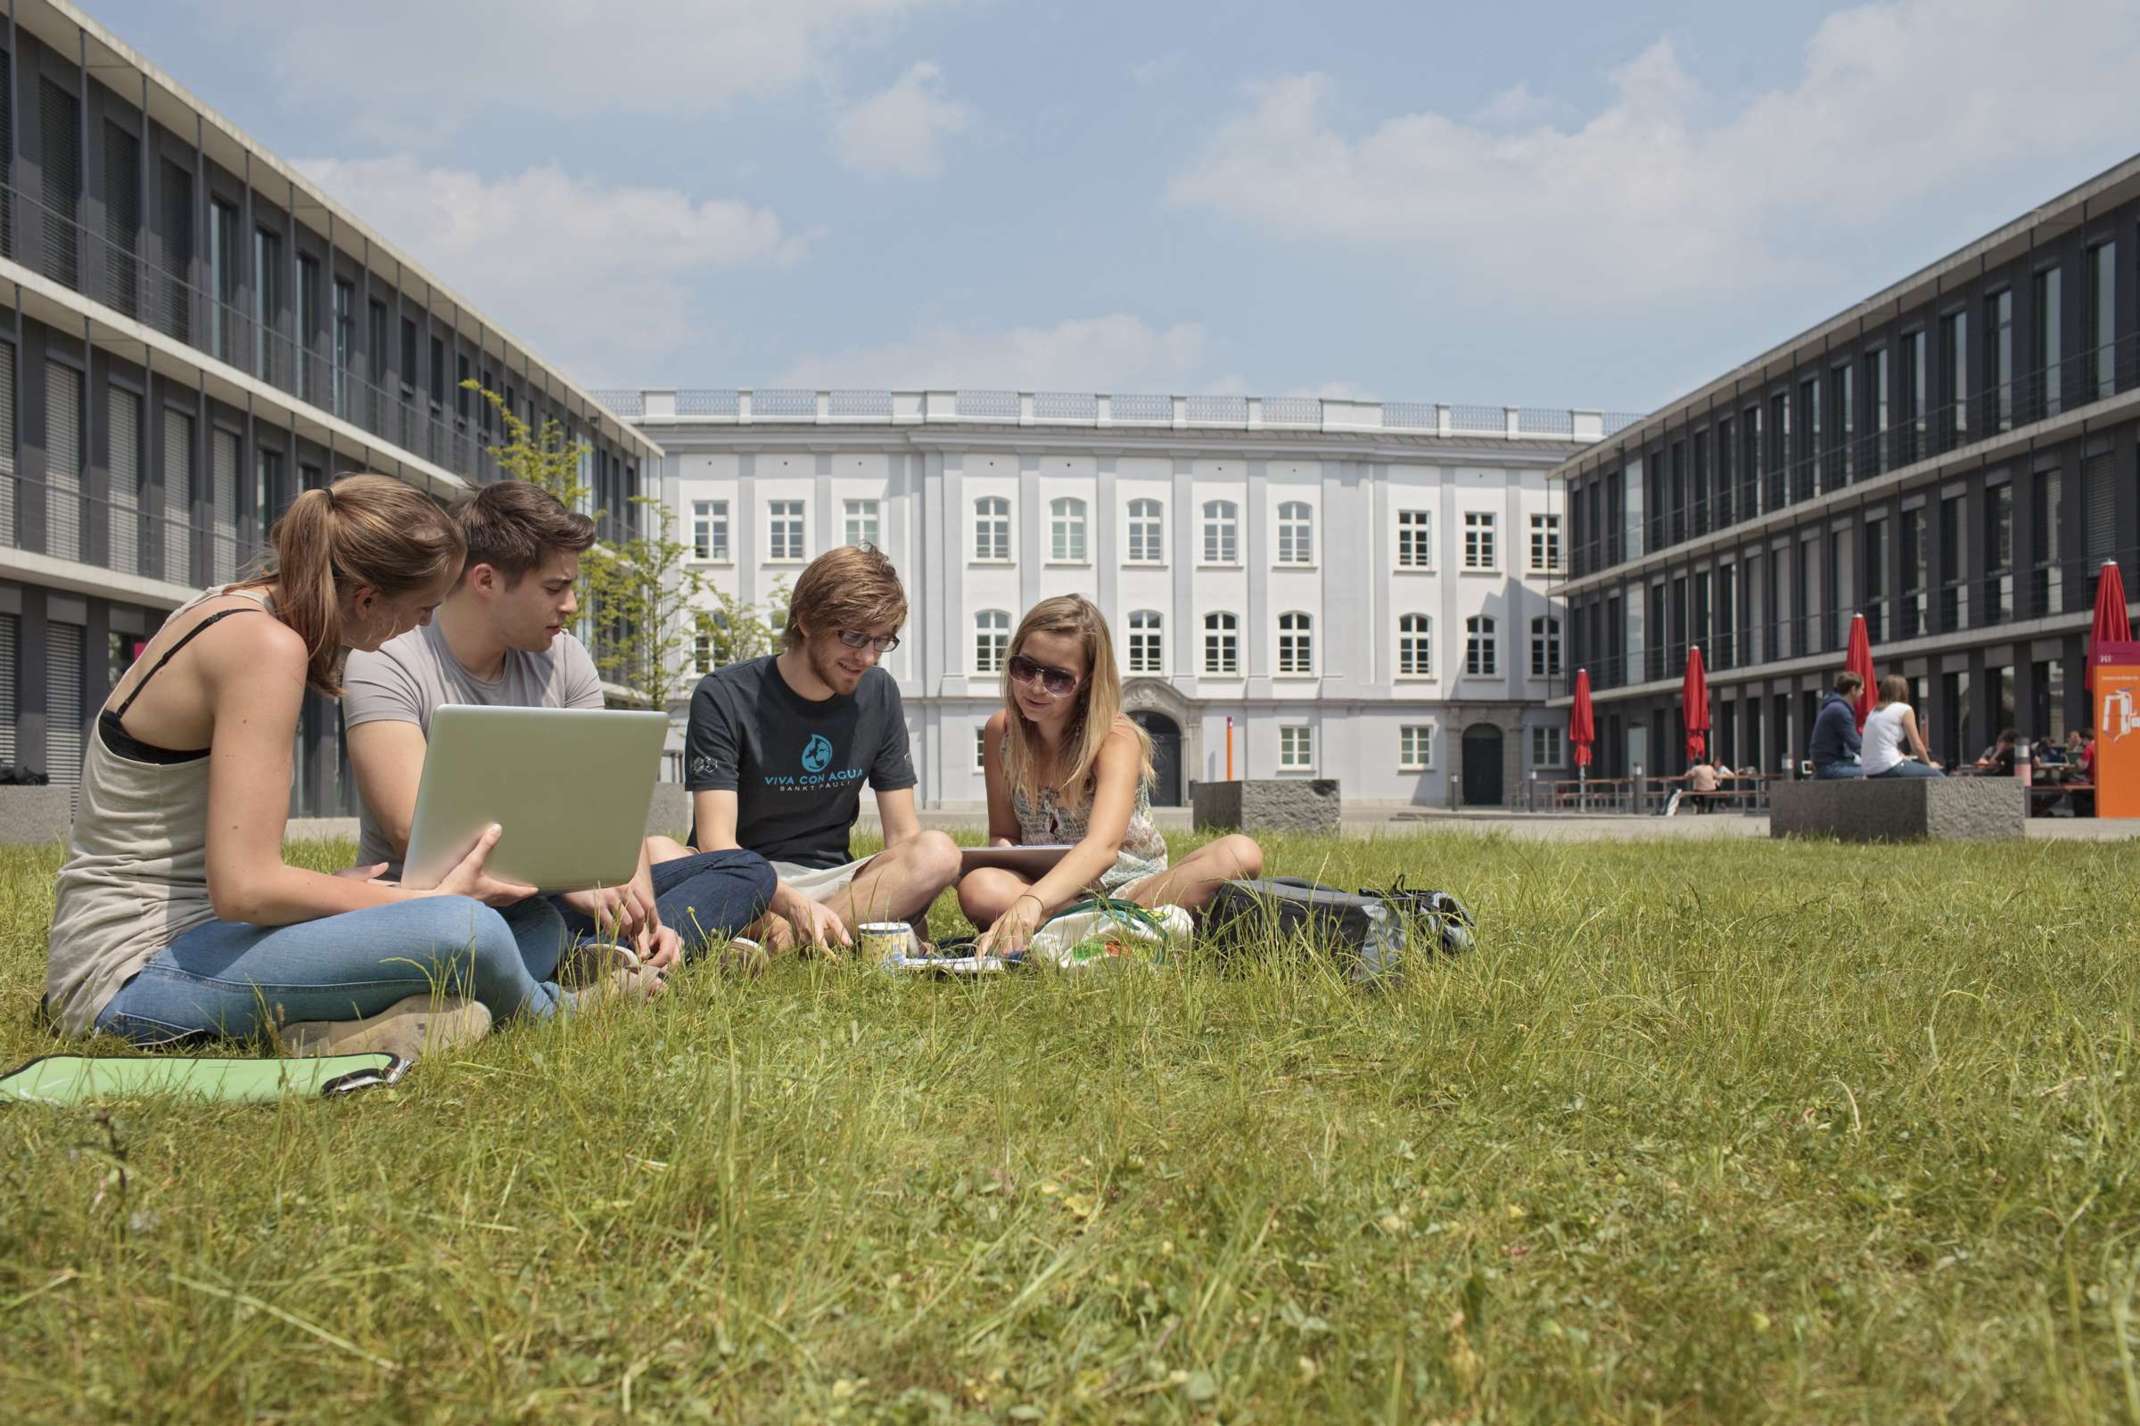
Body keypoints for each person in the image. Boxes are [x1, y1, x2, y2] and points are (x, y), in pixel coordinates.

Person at [46, 474, 656, 1058]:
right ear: (367, 598)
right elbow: (246, 889)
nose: (421, 627)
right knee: (470, 930)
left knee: (533, 923)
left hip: (208, 938)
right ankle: (555, 1009)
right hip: (131, 972)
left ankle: (353, 1024)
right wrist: (418, 901)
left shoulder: (237, 610)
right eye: (421, 611)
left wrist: (365, 896)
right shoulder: (264, 647)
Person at [342, 480, 774, 968]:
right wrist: (571, 881)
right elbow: (414, 831)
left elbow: (608, 803)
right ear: (485, 581)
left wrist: (635, 892)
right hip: (443, 903)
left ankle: (627, 950)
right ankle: (627, 952)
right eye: (554, 588)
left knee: (748, 871)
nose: (570, 605)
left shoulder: (564, 656)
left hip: (558, 896)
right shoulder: (387, 659)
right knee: (520, 924)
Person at [663, 545, 960, 954]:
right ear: (805, 620)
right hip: (742, 875)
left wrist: (910, 895)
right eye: (854, 637)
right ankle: (807, 931)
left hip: (832, 879)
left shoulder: (879, 692)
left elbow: (903, 837)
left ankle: (785, 939)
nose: (868, 657)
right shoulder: (724, 695)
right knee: (657, 851)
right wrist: (792, 903)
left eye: (881, 641)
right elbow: (716, 842)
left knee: (937, 851)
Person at [959, 596, 1264, 957]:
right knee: (978, 886)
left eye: (1058, 678)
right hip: (1054, 891)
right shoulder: (1002, 732)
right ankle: (1112, 933)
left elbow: (1102, 848)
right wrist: (1016, 871)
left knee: (1240, 853)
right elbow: (1005, 835)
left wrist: (1031, 903)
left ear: (1087, 682)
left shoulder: (1115, 737)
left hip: (1133, 887)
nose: (1036, 687)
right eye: (1025, 668)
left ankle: (1071, 931)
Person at [1862, 675, 1943, 778]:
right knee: (1938, 776)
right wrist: (1929, 764)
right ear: (1903, 691)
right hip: (1889, 766)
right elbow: (1917, 745)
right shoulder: (1904, 709)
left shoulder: (1873, 712)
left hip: (1869, 770)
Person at [1808, 672, 1866, 779]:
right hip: (1830, 767)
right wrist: (1878, 759)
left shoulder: (1834, 706)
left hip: (1827, 764)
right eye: (1861, 689)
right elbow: (1856, 744)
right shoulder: (1840, 710)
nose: (1862, 693)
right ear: (1853, 690)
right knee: (1874, 771)